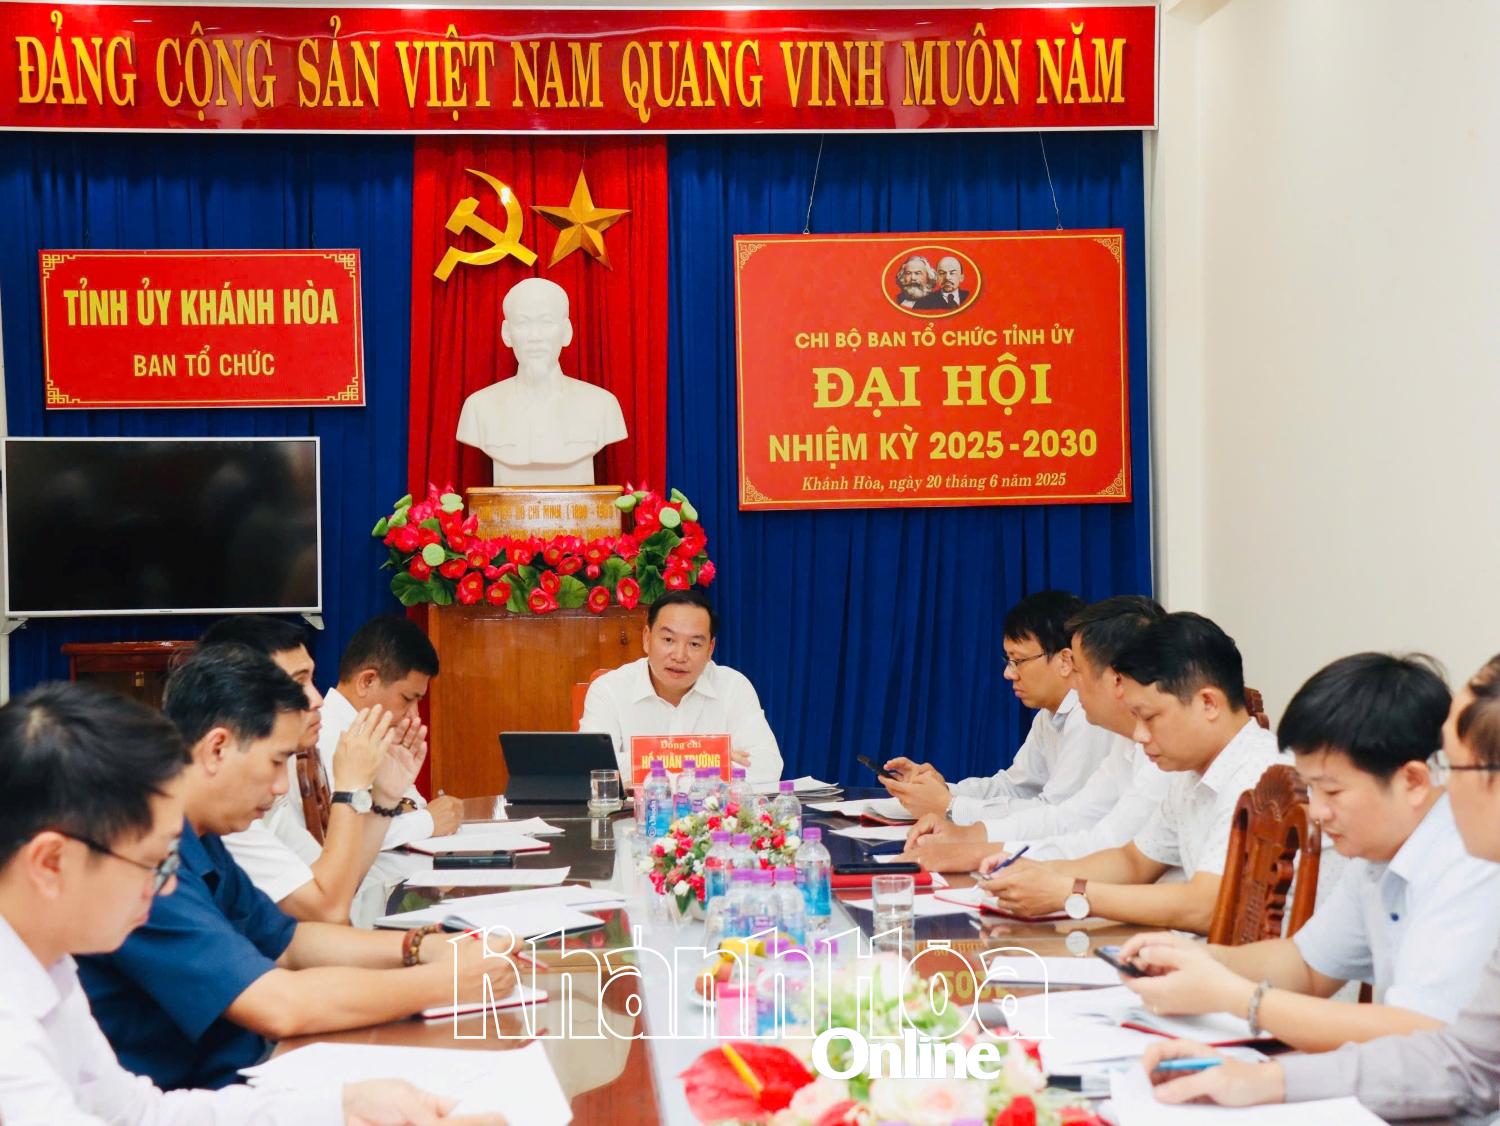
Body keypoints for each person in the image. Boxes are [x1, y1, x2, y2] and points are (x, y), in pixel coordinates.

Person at [0, 680, 502, 1124]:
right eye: (154, 865)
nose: (167, 888)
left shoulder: (52, 964)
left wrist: (340, 1109)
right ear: (50, 863)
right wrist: (442, 981)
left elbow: (140, 1115)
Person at [1142, 655, 1500, 1121]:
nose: (1315, 812)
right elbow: (1309, 965)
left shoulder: (1473, 867)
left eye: (1455, 768)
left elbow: (1428, 1042)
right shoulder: (1379, 851)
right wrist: (1200, 963)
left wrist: (1236, 999)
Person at [980, 612, 1283, 931]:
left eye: (1149, 718)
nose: (1139, 734)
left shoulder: (1259, 775)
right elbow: (1134, 861)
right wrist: (1037, 871)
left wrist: (1070, 893)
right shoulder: (1189, 774)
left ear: (1208, 703)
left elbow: (1207, 907)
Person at [900, 596, 1171, 872]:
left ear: (1118, 679)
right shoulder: (1128, 741)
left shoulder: (1164, 754)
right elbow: (1070, 816)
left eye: (1078, 670)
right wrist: (969, 837)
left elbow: (1115, 850)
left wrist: (971, 840)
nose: (1073, 683)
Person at [207, 616, 425, 924]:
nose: (318, 699)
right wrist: (350, 790)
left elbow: (337, 885)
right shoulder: (224, 814)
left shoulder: (265, 799)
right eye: (298, 683)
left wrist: (384, 799)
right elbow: (327, 910)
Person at [878, 591, 1116, 822]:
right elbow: (1016, 787)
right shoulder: (1048, 715)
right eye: (1008, 660)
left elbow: (1057, 815)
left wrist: (950, 807)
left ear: (1065, 660)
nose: (1008, 673)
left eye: (1018, 660)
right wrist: (942, 791)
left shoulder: (1090, 716)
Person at [580, 589, 783, 784]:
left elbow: (768, 765)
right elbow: (592, 767)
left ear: (710, 649)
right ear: (647, 639)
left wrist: (648, 764)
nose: (679, 656)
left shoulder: (733, 687)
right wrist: (705, 757)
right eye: (668, 640)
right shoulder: (608, 689)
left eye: (694, 644)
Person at [456, 276, 628, 485]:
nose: (535, 337)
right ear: (507, 333)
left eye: (546, 322)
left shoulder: (602, 405)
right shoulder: (479, 407)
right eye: (523, 323)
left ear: (566, 332)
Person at [315, 615, 463, 850]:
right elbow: (341, 832)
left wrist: (406, 812)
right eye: (407, 698)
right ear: (367, 681)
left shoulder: (375, 731)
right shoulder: (322, 734)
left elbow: (412, 804)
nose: (414, 715)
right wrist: (427, 822)